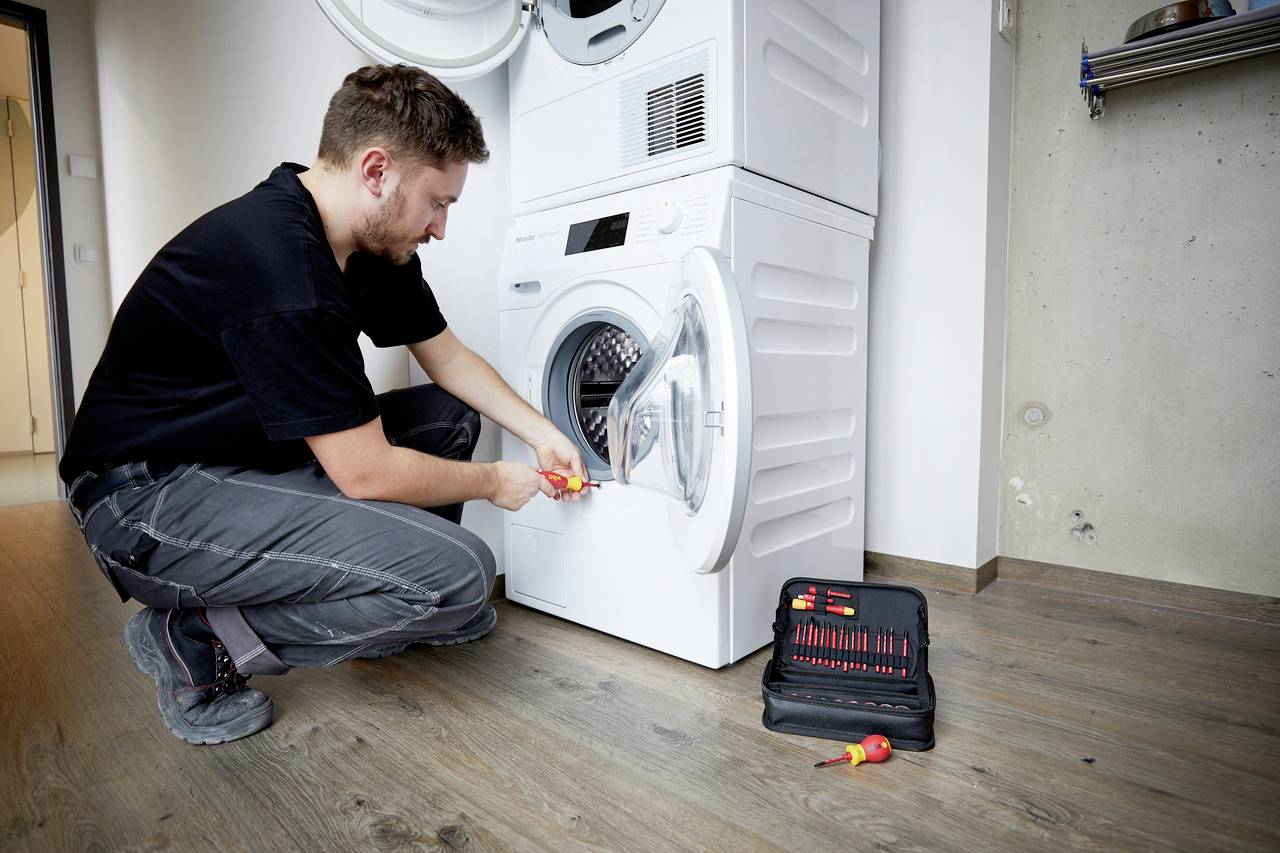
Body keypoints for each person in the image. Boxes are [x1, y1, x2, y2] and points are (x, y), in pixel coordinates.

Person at [60, 64, 588, 745]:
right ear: (376, 170)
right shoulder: (282, 266)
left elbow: (447, 356)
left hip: (240, 459)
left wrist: (542, 431)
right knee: (462, 575)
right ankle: (196, 637)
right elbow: (366, 474)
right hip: (142, 499)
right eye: (438, 202)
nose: (441, 227)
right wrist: (494, 481)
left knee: (448, 419)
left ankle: (392, 597)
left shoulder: (369, 249)